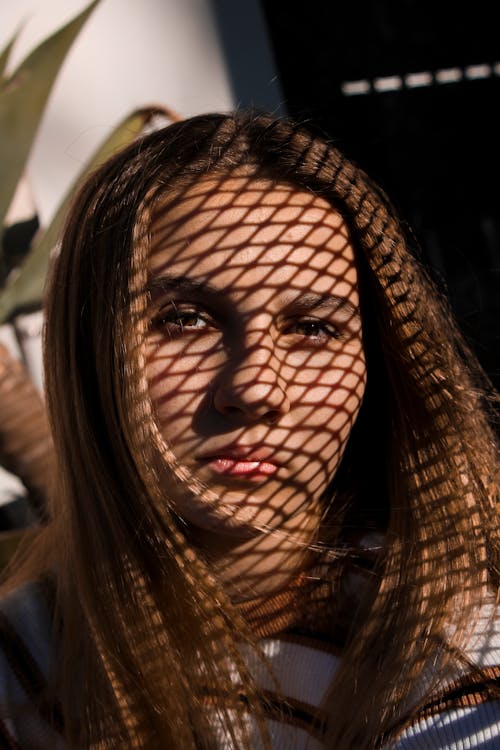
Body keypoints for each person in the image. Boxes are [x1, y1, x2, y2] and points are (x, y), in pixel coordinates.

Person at [0, 111, 498, 750]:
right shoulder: (29, 662)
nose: (258, 388)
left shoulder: (454, 650)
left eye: (314, 328)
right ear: (91, 352)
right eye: (185, 320)